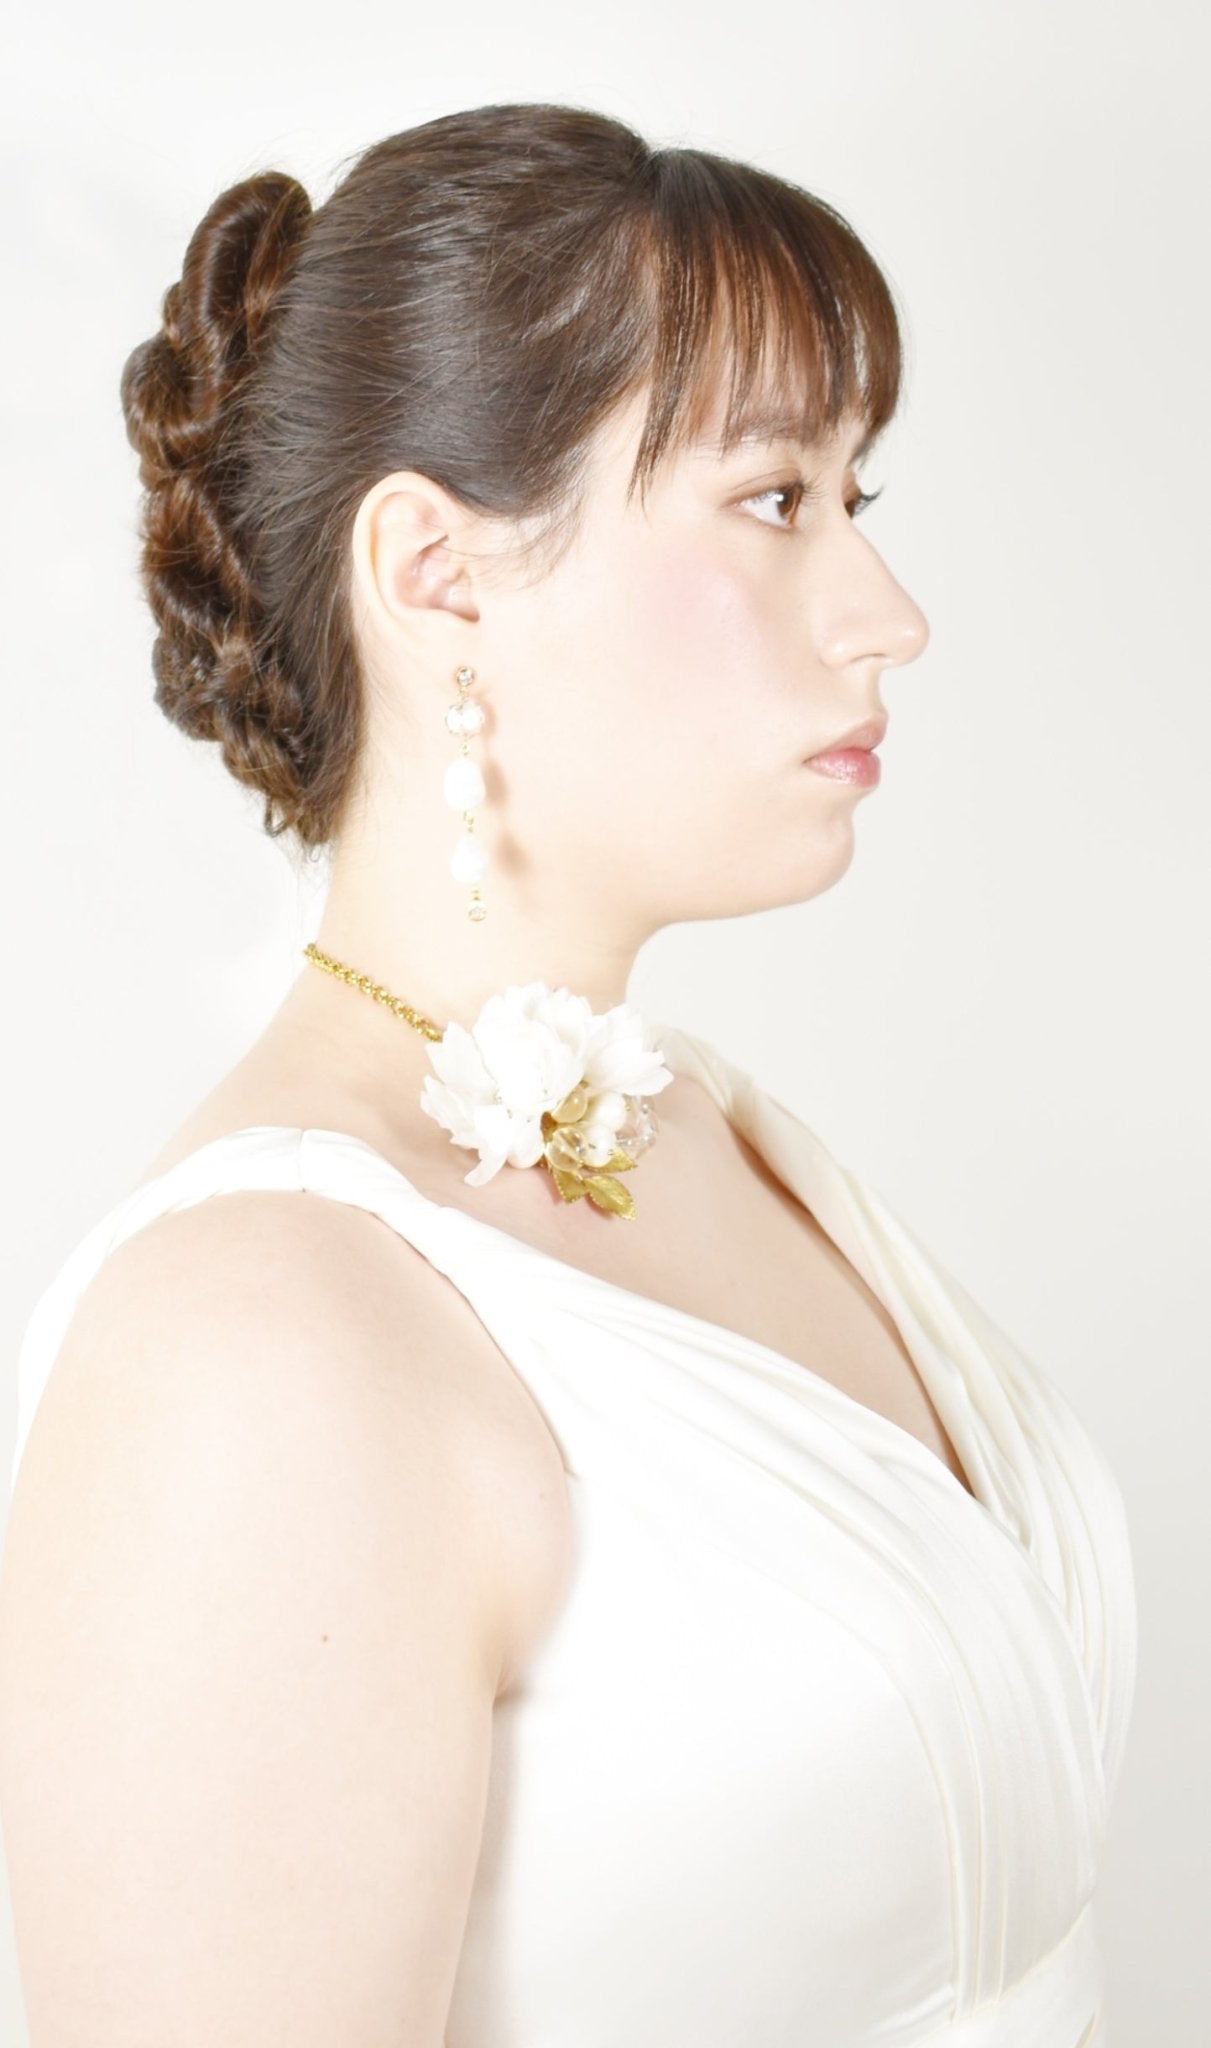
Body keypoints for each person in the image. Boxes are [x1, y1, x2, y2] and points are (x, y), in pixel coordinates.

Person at [0, 101, 1136, 2046]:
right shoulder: (245, 1352)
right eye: (775, 499)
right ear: (437, 573)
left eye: (858, 496)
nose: (890, 618)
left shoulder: (707, 1121)